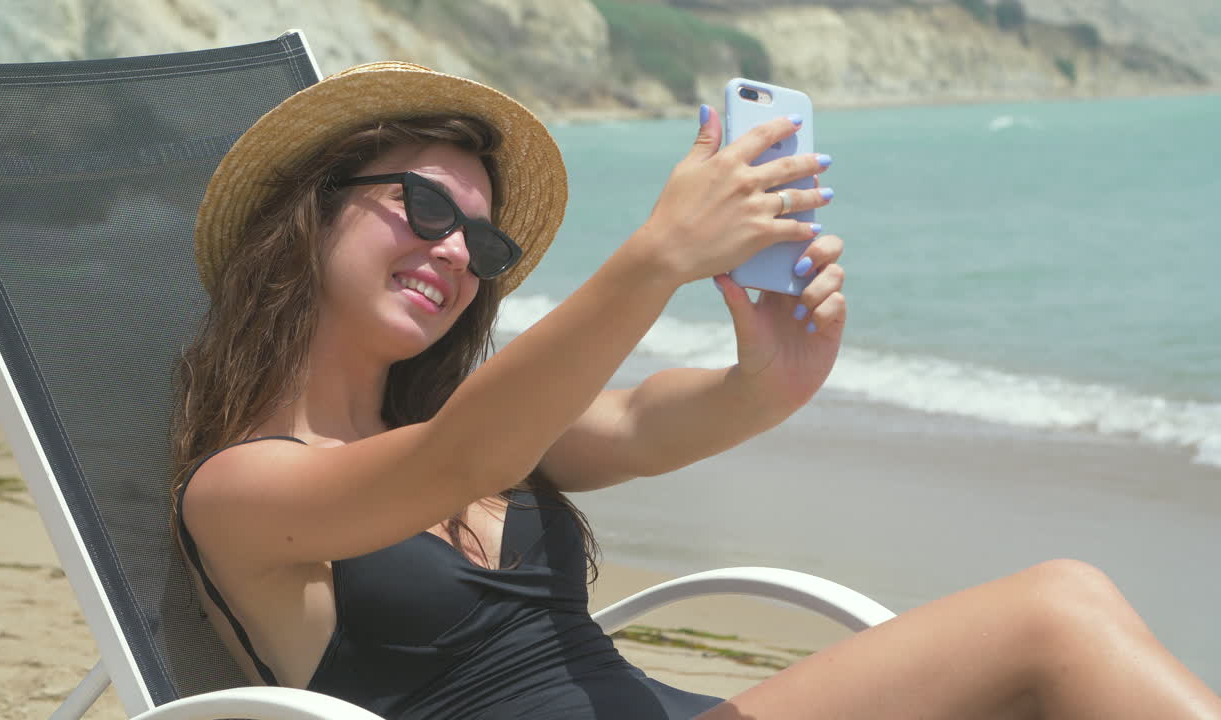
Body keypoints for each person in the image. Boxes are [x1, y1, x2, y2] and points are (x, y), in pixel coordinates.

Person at [171, 62, 1221, 719]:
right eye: (422, 209)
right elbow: (457, 464)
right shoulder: (241, 491)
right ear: (306, 214)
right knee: (1054, 614)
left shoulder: (468, 426)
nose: (454, 253)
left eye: (481, 237)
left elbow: (631, 419)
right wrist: (659, 252)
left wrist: (768, 376)